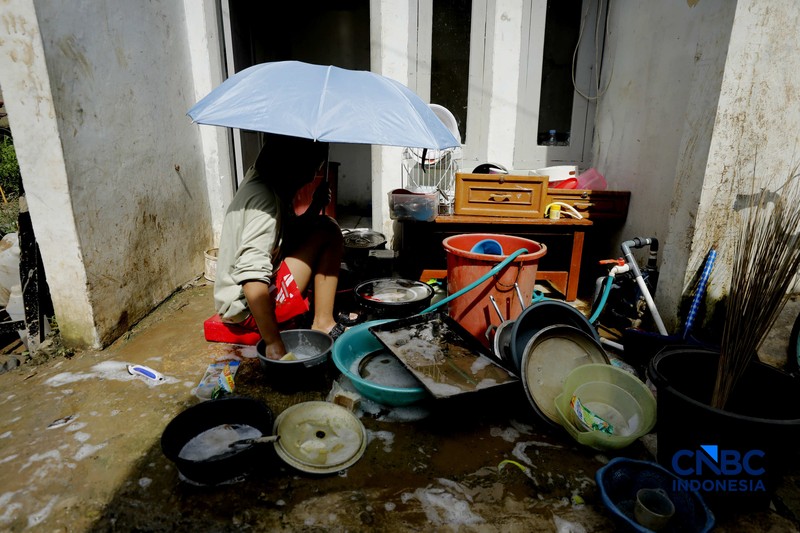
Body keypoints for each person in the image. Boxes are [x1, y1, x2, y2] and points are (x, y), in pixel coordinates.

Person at [214, 133, 344, 360]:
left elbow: (288, 235)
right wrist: (273, 342)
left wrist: (314, 207)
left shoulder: (262, 179)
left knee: (321, 225)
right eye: (313, 167)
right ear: (294, 163)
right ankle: (323, 323)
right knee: (328, 231)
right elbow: (252, 279)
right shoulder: (265, 201)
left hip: (237, 297)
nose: (313, 175)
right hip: (245, 308)